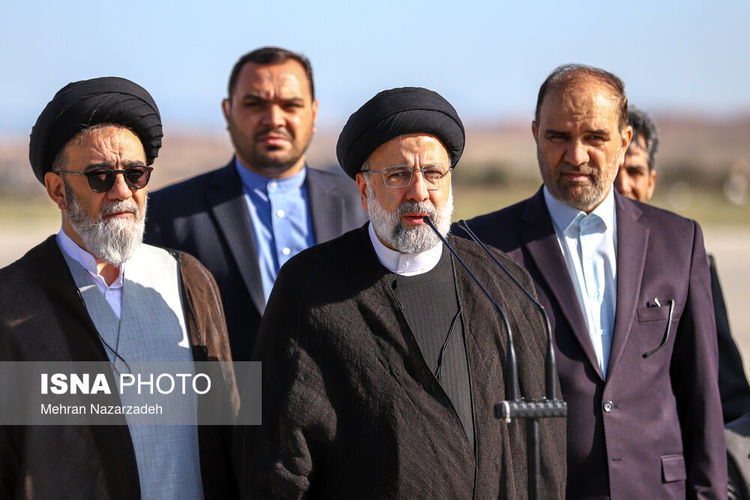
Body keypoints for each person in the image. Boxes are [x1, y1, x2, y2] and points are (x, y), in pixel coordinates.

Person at [239, 87, 566, 498]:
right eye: (397, 175)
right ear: (364, 190)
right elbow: (276, 460)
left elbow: (543, 446)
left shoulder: (502, 283)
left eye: (433, 173)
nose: (418, 192)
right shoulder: (310, 288)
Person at [460, 65, 726, 498]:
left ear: (624, 140)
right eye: (558, 137)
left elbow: (702, 397)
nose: (576, 155)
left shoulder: (679, 241)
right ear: (535, 135)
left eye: (595, 138)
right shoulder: (480, 246)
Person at [0, 77, 238, 499]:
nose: (122, 191)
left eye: (135, 174)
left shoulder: (188, 280)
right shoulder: (11, 301)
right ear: (58, 189)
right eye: (100, 177)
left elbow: (229, 428)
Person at [145, 47, 367, 360]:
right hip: (226, 392)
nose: (274, 119)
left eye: (290, 105)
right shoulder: (167, 214)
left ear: (314, 113)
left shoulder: (364, 205)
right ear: (227, 111)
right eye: (255, 104)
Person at [615, 106, 750, 424]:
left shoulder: (688, 262)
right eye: (615, 171)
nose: (622, 185)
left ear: (651, 181)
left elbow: (725, 389)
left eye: (634, 172)